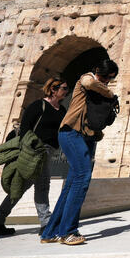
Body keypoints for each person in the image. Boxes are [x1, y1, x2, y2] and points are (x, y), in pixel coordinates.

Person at [40, 60, 118, 246]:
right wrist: (110, 93)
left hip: (87, 137)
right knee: (83, 177)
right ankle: (68, 231)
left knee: (71, 184)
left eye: (111, 78)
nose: (106, 81)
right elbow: (90, 82)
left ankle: (50, 232)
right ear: (97, 70)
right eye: (105, 76)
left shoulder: (98, 87)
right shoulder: (86, 79)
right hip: (71, 133)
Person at [0, 78, 69, 236]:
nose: (66, 91)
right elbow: (25, 128)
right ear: (53, 89)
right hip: (36, 150)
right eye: (63, 88)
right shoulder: (38, 105)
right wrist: (31, 148)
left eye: (66, 89)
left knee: (21, 186)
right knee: (42, 185)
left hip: (49, 150)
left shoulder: (62, 110)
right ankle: (46, 223)